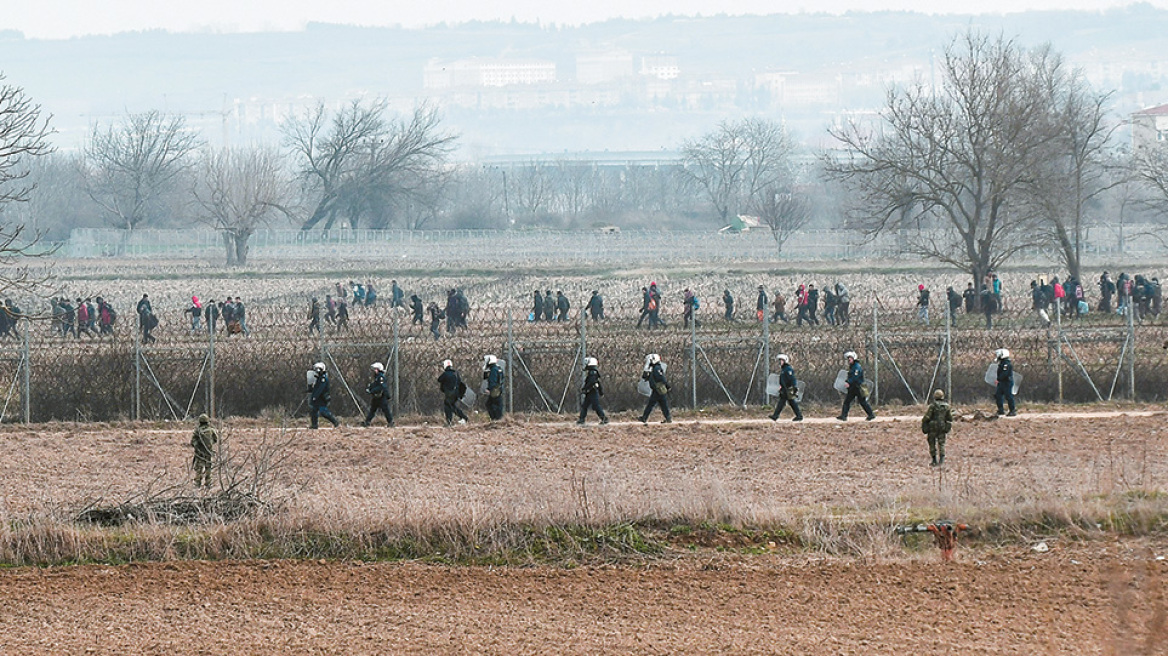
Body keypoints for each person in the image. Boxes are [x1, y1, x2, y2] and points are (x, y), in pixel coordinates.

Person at [837, 350, 875, 422]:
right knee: (847, 401)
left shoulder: (857, 367)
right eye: (848, 358)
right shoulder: (853, 366)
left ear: (854, 358)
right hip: (853, 387)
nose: (849, 359)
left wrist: (849, 382)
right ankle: (843, 416)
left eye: (850, 358)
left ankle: (871, 415)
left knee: (862, 402)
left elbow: (855, 377)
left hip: (858, 387)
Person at [921, 389, 953, 467]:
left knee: (932, 443)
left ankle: (934, 460)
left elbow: (927, 417)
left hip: (932, 428)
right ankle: (941, 460)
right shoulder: (947, 406)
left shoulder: (932, 406)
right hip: (942, 427)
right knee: (941, 443)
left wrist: (924, 422)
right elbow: (950, 418)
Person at [768, 354, 803, 422]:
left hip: (789, 389)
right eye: (780, 360)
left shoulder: (788, 369)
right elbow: (783, 380)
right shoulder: (784, 369)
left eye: (781, 360)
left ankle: (799, 416)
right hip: (785, 389)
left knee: (787, 402)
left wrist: (792, 388)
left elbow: (791, 379)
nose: (780, 362)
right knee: (785, 402)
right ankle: (798, 416)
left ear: (785, 361)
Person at [639, 353, 672, 424]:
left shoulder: (656, 368)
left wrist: (667, 385)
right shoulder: (655, 368)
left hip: (658, 389)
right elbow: (647, 377)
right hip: (658, 389)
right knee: (663, 404)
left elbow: (661, 378)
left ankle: (644, 417)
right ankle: (668, 418)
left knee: (651, 404)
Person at [577, 357, 609, 425]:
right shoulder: (593, 373)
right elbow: (597, 383)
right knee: (585, 406)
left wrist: (585, 389)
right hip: (590, 392)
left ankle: (604, 419)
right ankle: (581, 419)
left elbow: (592, 382)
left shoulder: (592, 373)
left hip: (592, 392)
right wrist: (600, 392)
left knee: (596, 406)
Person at [190, 413, 218, 489]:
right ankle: (208, 483)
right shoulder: (211, 430)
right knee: (208, 468)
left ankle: (197, 483)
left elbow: (192, 442)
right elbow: (215, 439)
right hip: (208, 452)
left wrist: (197, 446)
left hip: (200, 453)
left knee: (199, 469)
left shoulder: (197, 431)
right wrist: (209, 445)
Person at [308, 362, 339, 429]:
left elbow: (320, 389)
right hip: (317, 398)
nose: (317, 371)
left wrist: (315, 396)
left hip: (322, 398)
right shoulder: (317, 378)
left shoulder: (323, 379)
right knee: (314, 411)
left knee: (323, 412)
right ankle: (314, 425)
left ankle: (335, 422)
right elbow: (315, 387)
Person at [438, 359, 469, 426]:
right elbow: (460, 382)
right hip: (456, 393)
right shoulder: (456, 373)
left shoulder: (445, 374)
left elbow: (439, 379)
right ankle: (462, 417)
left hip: (450, 393)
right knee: (452, 406)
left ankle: (450, 421)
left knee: (448, 407)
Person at [362, 362, 394, 427]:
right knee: (372, 410)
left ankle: (390, 422)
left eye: (375, 369)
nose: (374, 370)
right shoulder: (376, 377)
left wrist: (372, 391)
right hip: (376, 397)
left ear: (379, 369)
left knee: (385, 410)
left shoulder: (381, 377)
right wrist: (370, 387)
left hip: (381, 397)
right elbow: (374, 384)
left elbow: (381, 387)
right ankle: (367, 422)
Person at [993, 348, 1016, 417]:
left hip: (1007, 382)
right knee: (998, 395)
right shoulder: (1002, 363)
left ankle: (1012, 410)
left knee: (1008, 396)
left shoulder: (1006, 364)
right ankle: (1001, 410)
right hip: (1002, 382)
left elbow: (1004, 373)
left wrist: (999, 379)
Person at [483, 354, 505, 421]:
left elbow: (492, 381)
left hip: (494, 390)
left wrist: (489, 389)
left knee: (491, 405)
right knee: (497, 404)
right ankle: (498, 419)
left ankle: (496, 419)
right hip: (499, 389)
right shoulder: (499, 368)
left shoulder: (493, 370)